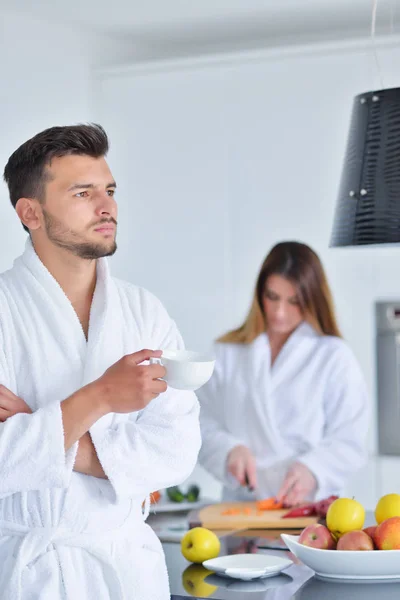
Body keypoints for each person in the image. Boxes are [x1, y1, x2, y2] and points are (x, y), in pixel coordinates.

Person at [0, 124, 201, 600]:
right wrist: (100, 397)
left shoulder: (143, 311)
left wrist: (43, 428)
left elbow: (176, 452)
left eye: (109, 190)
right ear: (31, 212)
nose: (106, 205)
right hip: (33, 574)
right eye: (82, 192)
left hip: (129, 569)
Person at [198, 241, 369, 506]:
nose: (279, 312)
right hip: (242, 507)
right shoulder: (227, 351)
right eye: (272, 297)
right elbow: (197, 420)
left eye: (294, 302)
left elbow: (351, 436)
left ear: (313, 299)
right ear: (259, 294)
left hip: (309, 508)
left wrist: (313, 469)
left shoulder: (333, 356)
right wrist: (228, 450)